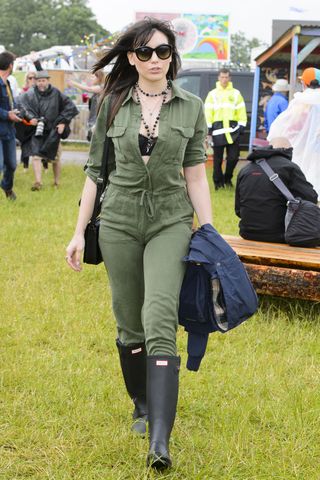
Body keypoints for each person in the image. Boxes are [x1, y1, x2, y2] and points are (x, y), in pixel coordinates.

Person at [66, 18, 212, 470]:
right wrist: (78, 230)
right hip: (120, 220)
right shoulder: (112, 104)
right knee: (129, 320)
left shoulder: (191, 106)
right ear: (131, 57)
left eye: (162, 52)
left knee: (159, 315)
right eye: (145, 52)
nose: (154, 60)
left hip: (170, 218)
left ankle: (160, 442)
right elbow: (95, 173)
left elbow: (195, 173)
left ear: (173, 56)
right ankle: (141, 405)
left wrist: (207, 231)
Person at [235, 144, 318, 243]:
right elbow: (311, 198)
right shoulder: (289, 167)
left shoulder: (245, 170)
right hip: (281, 235)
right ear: (287, 150)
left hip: (247, 233)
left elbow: (238, 210)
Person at [19, 70, 79, 190]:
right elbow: (23, 107)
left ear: (48, 80)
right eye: (39, 81)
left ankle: (57, 182)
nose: (41, 83)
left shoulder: (56, 93)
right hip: (38, 130)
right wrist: (31, 119)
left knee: (55, 158)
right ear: (36, 82)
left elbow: (70, 107)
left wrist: (62, 122)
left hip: (53, 131)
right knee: (36, 156)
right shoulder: (30, 94)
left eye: (43, 80)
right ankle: (38, 182)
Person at [268, 67, 320, 197]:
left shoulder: (299, 103)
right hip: (317, 154)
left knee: (302, 191)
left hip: (299, 155)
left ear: (304, 83)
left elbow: (279, 130)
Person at [204, 68, 247, 190]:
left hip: (233, 131)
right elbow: (208, 112)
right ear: (218, 78)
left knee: (233, 157)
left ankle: (227, 179)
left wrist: (242, 126)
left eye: (226, 77)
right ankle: (218, 183)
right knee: (217, 160)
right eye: (222, 77)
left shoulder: (236, 93)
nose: (224, 79)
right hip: (218, 130)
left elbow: (241, 110)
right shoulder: (212, 94)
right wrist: (209, 130)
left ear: (230, 78)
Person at [0, 51, 21, 200]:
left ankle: (7, 187)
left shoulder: (7, 82)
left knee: (12, 165)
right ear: (10, 65)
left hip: (9, 131)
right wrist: (7, 114)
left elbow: (9, 105)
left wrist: (14, 112)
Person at [68, 70, 104, 141]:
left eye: (93, 77)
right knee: (91, 139)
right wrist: (88, 99)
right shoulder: (96, 88)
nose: (91, 79)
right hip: (93, 119)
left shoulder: (102, 87)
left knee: (95, 141)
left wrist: (74, 83)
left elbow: (89, 89)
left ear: (99, 78)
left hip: (98, 120)